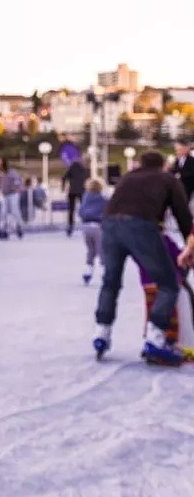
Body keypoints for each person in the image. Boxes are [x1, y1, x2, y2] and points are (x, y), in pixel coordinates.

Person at [93, 151, 194, 365]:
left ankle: (101, 333)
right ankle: (155, 339)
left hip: (109, 226)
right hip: (140, 226)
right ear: (164, 164)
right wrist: (190, 244)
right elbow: (183, 215)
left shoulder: (127, 177)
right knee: (168, 284)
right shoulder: (168, 179)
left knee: (110, 282)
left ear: (140, 163)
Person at [80, 177, 106, 285]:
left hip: (86, 226)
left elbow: (80, 211)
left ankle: (88, 271)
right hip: (98, 226)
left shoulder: (85, 198)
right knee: (101, 251)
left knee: (90, 250)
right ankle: (104, 273)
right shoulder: (103, 198)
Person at [62, 153, 88, 236]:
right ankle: (71, 226)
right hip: (76, 191)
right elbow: (65, 177)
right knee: (76, 209)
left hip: (77, 191)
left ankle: (72, 226)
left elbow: (65, 177)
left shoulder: (85, 168)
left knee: (74, 209)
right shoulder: (75, 166)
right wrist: (63, 186)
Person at [0, 159, 25, 241]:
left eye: (0, 163)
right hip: (4, 194)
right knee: (3, 212)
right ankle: (3, 229)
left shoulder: (11, 172)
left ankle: (19, 226)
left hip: (13, 194)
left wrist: (19, 187)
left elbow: (17, 180)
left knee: (14, 211)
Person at [172, 139, 194, 204]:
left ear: (186, 149)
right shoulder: (177, 159)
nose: (177, 151)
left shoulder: (191, 160)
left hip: (188, 185)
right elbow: (174, 170)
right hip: (178, 185)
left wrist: (180, 175)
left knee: (184, 202)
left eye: (180, 149)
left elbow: (191, 172)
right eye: (176, 150)